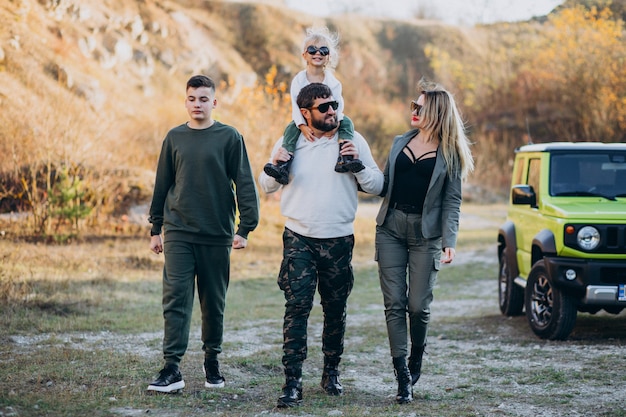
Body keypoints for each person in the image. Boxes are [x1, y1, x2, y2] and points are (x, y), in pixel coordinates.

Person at [258, 82, 383, 408]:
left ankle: (331, 372)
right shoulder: (292, 141)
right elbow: (266, 185)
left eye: (334, 105)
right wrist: (275, 159)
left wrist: (358, 164)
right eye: (324, 107)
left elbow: (379, 184)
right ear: (305, 113)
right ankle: (293, 382)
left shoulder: (352, 140)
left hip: (339, 239)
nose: (332, 111)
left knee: (335, 309)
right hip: (299, 237)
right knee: (297, 307)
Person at [146, 75, 260, 393]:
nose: (198, 104)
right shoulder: (174, 138)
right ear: (186, 101)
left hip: (216, 232)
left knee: (213, 303)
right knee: (175, 298)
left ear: (214, 102)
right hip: (179, 230)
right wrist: (156, 227)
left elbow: (245, 182)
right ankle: (171, 368)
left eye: (203, 99)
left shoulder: (229, 137)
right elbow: (162, 183)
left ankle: (212, 362)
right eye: (192, 99)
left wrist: (246, 227)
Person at [375, 80, 474, 404]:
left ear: (435, 112)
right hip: (390, 229)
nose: (413, 111)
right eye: (413, 106)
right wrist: (357, 167)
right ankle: (403, 374)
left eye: (419, 107)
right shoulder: (399, 142)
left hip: (425, 236)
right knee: (395, 304)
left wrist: (450, 240)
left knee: (418, 307)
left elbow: (453, 202)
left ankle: (417, 355)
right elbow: (383, 184)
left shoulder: (451, 154)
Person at [263, 26, 363, 185]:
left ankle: (345, 157)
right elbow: (295, 107)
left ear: (328, 56)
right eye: (312, 50)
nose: (318, 53)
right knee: (290, 129)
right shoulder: (299, 80)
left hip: (330, 119)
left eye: (323, 50)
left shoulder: (333, 83)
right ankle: (283, 164)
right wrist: (301, 125)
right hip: (304, 118)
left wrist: (334, 125)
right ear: (304, 55)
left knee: (348, 123)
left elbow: (338, 106)